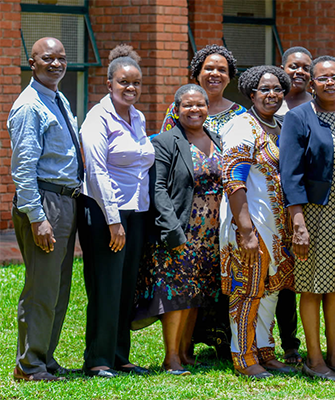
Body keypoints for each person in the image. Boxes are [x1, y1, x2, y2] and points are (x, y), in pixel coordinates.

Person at [279, 56, 335, 382]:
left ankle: (334, 356)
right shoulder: (299, 117)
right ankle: (314, 360)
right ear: (312, 84)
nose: (330, 83)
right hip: (316, 215)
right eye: (323, 78)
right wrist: (297, 223)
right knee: (312, 288)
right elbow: (290, 173)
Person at [136, 84, 224, 375]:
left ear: (207, 109)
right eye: (187, 105)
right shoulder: (165, 141)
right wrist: (172, 229)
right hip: (182, 229)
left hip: (211, 233)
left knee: (196, 293)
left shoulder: (217, 139)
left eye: (200, 105)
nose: (195, 109)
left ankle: (186, 353)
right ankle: (171, 356)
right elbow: (158, 188)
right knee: (176, 295)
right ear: (176, 109)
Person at [77, 44, 153, 378]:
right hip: (105, 213)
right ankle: (98, 358)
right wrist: (113, 221)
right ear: (109, 83)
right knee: (106, 285)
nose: (131, 88)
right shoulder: (98, 118)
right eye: (124, 82)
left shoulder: (137, 117)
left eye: (136, 83)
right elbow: (96, 172)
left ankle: (120, 355)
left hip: (136, 212)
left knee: (125, 285)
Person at [217, 65, 297, 379]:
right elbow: (233, 178)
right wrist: (245, 229)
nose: (272, 95)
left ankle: (265, 350)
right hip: (249, 222)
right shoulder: (242, 126)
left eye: (277, 89)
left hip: (276, 226)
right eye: (265, 89)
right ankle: (244, 357)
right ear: (251, 92)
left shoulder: (279, 125)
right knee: (247, 289)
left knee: (271, 289)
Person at [9, 37, 81, 382]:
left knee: (58, 287)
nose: (56, 64)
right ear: (32, 63)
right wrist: (38, 218)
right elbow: (23, 169)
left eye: (61, 58)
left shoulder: (57, 97)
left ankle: (45, 358)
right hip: (45, 202)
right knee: (41, 289)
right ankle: (29, 365)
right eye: (48, 59)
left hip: (66, 200)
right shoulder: (29, 106)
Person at [273, 46, 311, 365]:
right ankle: (288, 343)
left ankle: (331, 341)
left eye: (304, 67)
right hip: (274, 206)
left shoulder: (319, 107)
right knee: (283, 279)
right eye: (292, 66)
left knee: (315, 278)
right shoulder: (270, 103)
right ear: (281, 68)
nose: (298, 71)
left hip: (310, 205)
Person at [160, 45, 246, 135]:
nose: (215, 73)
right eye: (209, 69)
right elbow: (164, 144)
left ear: (229, 77)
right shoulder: (179, 108)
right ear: (198, 74)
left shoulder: (240, 114)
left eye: (222, 70)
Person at [276, 46, 313, 116]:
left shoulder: (319, 104)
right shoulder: (270, 103)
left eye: (306, 68)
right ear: (282, 70)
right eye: (294, 67)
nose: (300, 72)